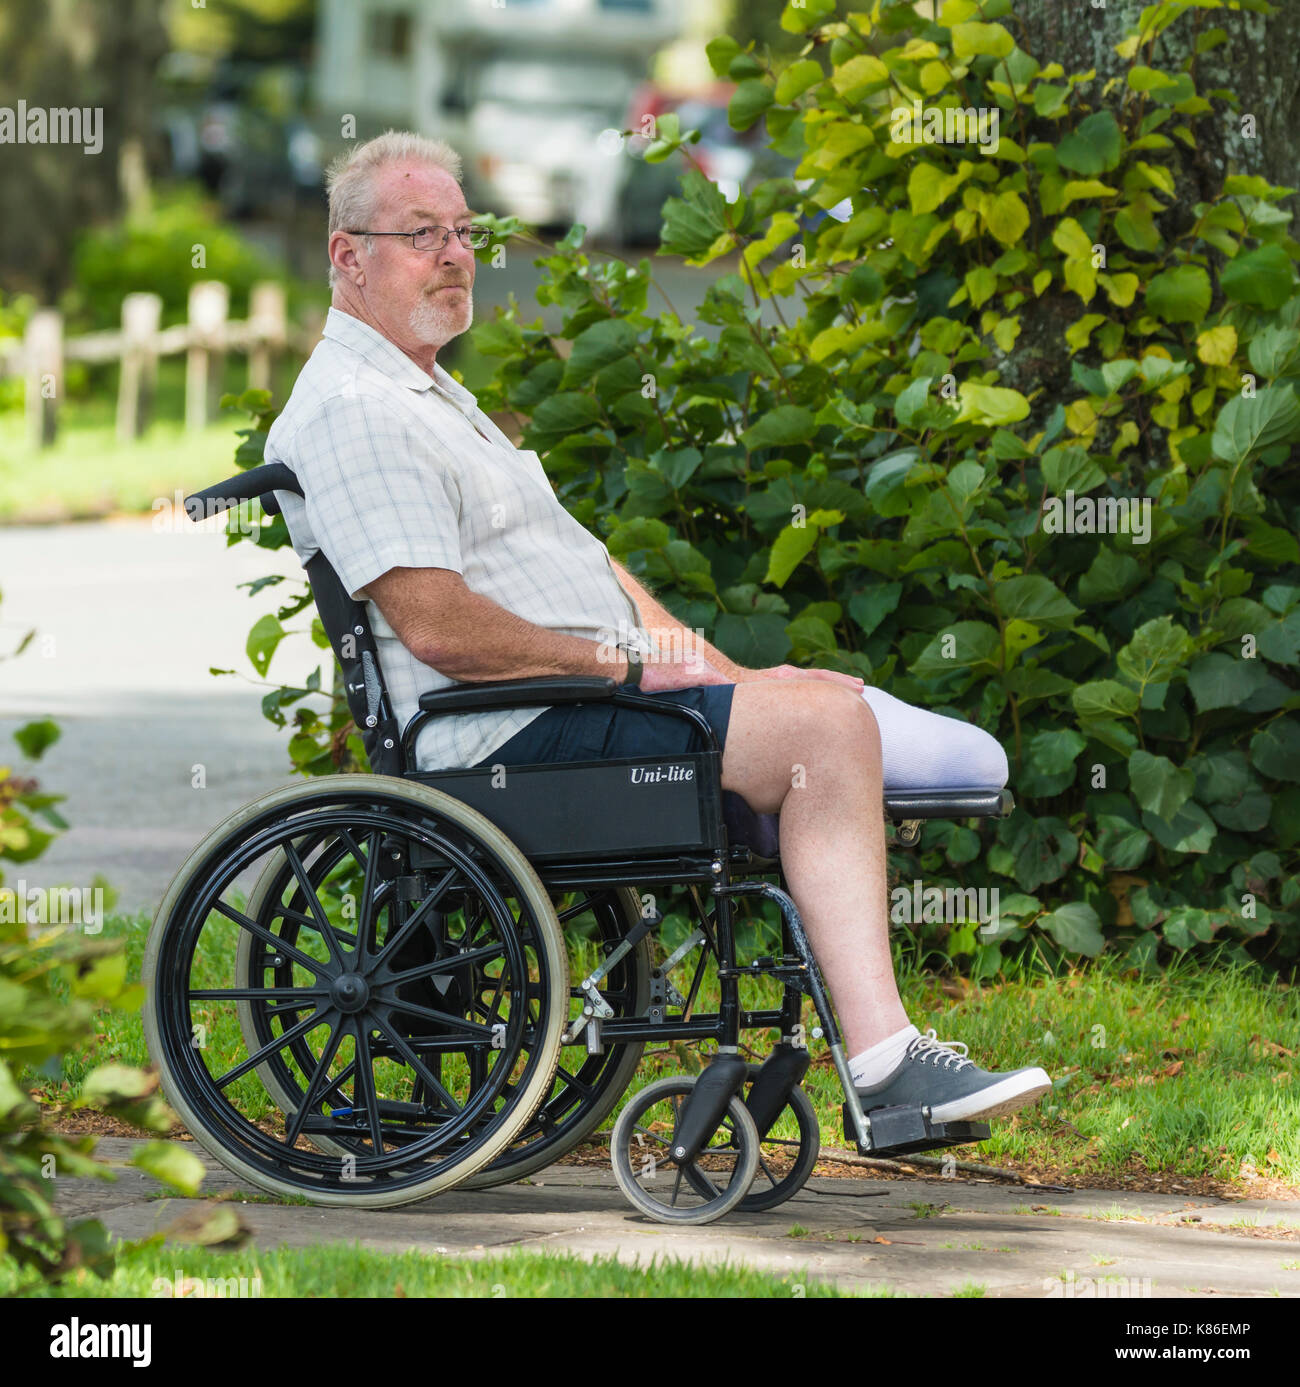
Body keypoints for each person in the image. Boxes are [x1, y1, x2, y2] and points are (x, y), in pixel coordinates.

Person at [265, 130, 1051, 1124]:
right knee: (824, 733)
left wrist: (730, 678)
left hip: (559, 703)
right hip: (501, 731)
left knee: (813, 707)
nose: (456, 254)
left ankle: (881, 1058)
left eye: (463, 233)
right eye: (423, 234)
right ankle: (889, 1069)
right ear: (348, 255)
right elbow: (437, 627)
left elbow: (594, 573)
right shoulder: (355, 407)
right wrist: (624, 668)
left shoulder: (428, 396)